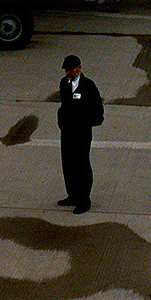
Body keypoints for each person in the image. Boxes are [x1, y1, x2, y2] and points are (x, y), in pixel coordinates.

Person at [57, 54, 103, 214]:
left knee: (81, 165)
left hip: (81, 134)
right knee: (68, 163)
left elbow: (98, 113)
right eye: (66, 70)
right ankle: (73, 195)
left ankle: (84, 200)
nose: (69, 72)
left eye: (71, 69)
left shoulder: (88, 86)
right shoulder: (64, 83)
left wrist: (84, 123)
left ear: (79, 68)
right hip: (67, 132)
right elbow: (64, 105)